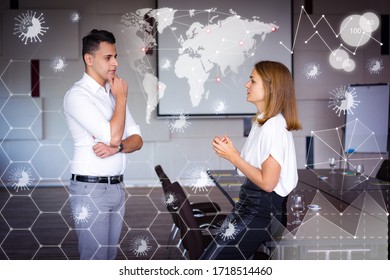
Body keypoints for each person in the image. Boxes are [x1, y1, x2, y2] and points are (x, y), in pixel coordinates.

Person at [201, 60, 301, 260]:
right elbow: (254, 168)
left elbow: (268, 182)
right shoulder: (262, 122)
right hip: (248, 209)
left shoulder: (274, 126)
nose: (247, 85)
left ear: (270, 88)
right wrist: (232, 152)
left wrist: (233, 156)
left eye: (252, 81)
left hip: (259, 215)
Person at [63, 29, 143, 260]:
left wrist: (117, 148)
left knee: (109, 259)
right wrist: (123, 99)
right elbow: (114, 137)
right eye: (108, 57)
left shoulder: (112, 94)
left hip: (117, 188)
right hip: (91, 190)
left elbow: (137, 139)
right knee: (94, 259)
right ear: (89, 59)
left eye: (115, 56)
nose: (115, 63)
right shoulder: (77, 96)